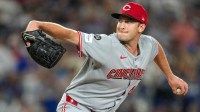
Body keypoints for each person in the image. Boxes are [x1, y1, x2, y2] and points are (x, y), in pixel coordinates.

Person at [24, 2, 188, 112]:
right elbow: (70, 35)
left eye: (129, 22)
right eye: (121, 20)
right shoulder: (105, 44)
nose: (122, 25)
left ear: (141, 27)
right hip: (77, 107)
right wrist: (37, 25)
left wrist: (170, 76)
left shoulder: (147, 44)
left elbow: (156, 48)